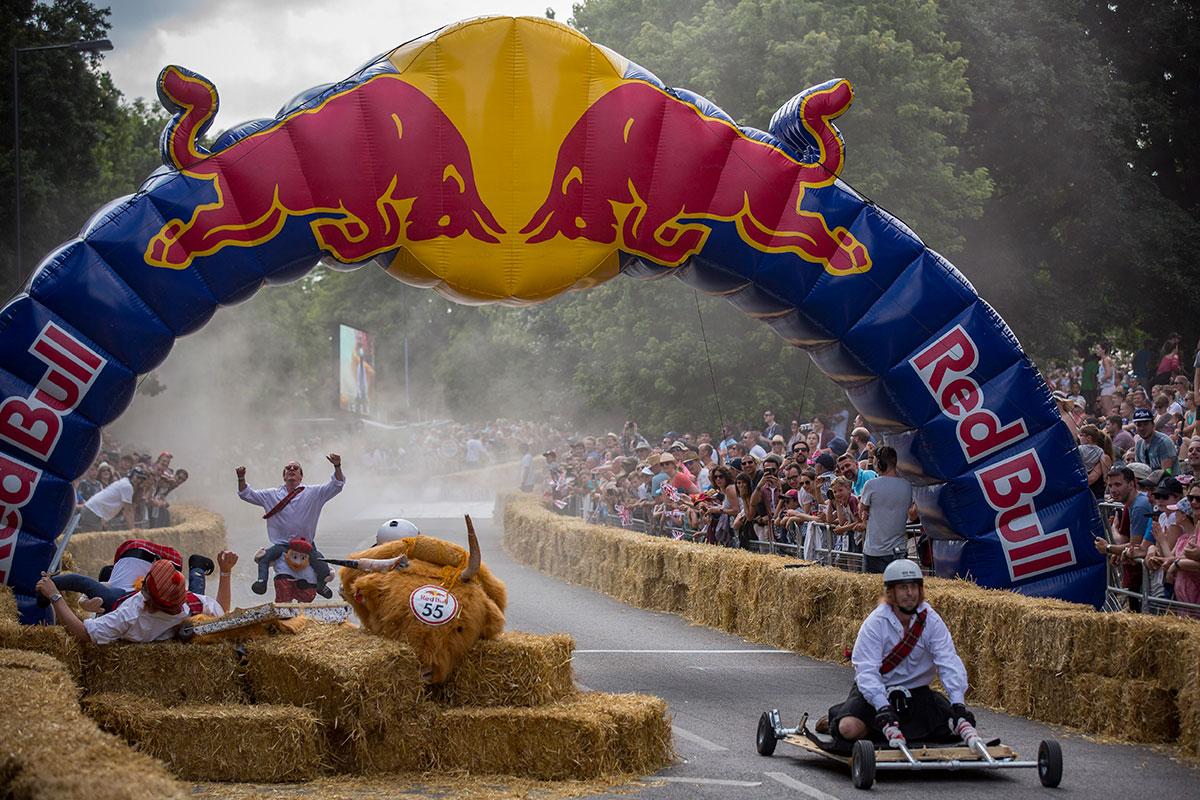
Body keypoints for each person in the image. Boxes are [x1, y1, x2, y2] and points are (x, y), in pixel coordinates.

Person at [822, 559, 972, 749]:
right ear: (890, 593)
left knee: (950, 727)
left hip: (918, 695)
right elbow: (867, 672)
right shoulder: (875, 623)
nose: (910, 593)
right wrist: (883, 707)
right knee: (848, 729)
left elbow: (948, 661)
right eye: (903, 588)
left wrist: (958, 704)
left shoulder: (931, 620)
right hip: (878, 691)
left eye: (914, 587)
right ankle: (840, 715)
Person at [35, 552, 236, 645]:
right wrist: (225, 572)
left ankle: (104, 578)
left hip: (119, 601)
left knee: (91, 587)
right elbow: (222, 612)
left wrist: (54, 595)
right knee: (198, 588)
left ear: (144, 591)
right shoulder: (192, 603)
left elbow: (83, 633)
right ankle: (198, 568)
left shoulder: (129, 614)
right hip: (155, 607)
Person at [237, 454, 345, 597]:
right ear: (284, 476)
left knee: (318, 578)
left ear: (301, 476)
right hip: (282, 549)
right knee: (281, 588)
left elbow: (337, 485)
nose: (292, 470)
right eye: (288, 468)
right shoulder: (271, 495)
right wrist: (241, 478)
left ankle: (320, 585)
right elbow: (246, 494)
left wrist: (337, 466)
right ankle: (261, 582)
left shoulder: (313, 493)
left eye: (296, 468)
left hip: (306, 548)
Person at [859, 446, 913, 573]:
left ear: (879, 463)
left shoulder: (871, 485)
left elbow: (862, 509)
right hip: (898, 550)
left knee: (873, 591)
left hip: (874, 550)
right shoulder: (908, 486)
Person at [79, 466, 154, 532]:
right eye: (137, 477)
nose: (138, 480)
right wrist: (133, 531)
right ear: (131, 475)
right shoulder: (127, 486)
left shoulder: (124, 482)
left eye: (141, 479)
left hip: (94, 511)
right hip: (93, 512)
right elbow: (128, 511)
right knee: (94, 543)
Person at [1132, 408, 1177, 473]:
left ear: (1153, 424)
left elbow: (1168, 472)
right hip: (1146, 481)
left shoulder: (1164, 442)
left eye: (1146, 424)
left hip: (1168, 481)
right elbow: (1139, 471)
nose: (1142, 428)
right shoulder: (1139, 444)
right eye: (1139, 425)